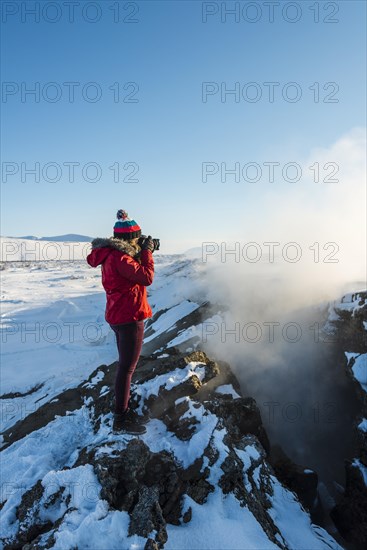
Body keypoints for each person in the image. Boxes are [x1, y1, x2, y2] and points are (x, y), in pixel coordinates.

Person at [86, 209, 155, 434]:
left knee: (125, 366)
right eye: (138, 238)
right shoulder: (122, 258)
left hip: (118, 315)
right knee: (127, 368)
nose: (139, 241)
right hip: (129, 317)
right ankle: (121, 419)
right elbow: (146, 277)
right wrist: (147, 252)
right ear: (130, 240)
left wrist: (141, 252)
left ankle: (122, 407)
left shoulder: (110, 255)